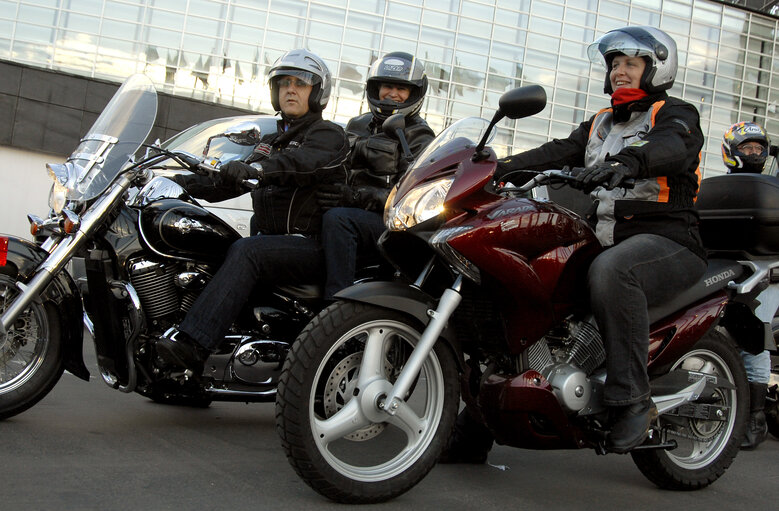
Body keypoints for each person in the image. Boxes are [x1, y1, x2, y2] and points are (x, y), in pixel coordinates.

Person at [442, 25, 707, 461]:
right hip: (605, 238)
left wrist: (628, 163)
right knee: (522, 281)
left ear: (655, 70)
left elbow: (674, 147)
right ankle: (482, 418)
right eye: (615, 64)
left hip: (666, 238)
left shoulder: (675, 114)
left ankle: (633, 400)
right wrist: (497, 168)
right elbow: (556, 151)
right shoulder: (600, 123)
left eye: (631, 63)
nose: (620, 71)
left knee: (613, 270)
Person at [156, 48, 349, 372]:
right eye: (284, 82)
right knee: (209, 244)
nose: (290, 89)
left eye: (300, 83)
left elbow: (301, 164)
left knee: (247, 251)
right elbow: (229, 183)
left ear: (316, 93)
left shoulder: (326, 135)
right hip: (273, 243)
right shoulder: (270, 143)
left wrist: (258, 171)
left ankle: (193, 345)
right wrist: (177, 182)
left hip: (309, 244)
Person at [317, 52, 435, 299]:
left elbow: (413, 199)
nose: (393, 94)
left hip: (389, 225)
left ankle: (335, 308)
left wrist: (359, 196)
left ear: (414, 93)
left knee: (339, 220)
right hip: (348, 208)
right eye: (387, 86)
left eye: (402, 88)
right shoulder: (356, 124)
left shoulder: (420, 136)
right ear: (376, 88)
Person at [722, 120, 775, 449]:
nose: (754, 154)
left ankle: (756, 416)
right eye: (747, 149)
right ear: (731, 152)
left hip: (768, 271)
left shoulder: (773, 187)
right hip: (729, 270)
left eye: (758, 149)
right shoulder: (716, 188)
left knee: (753, 338)